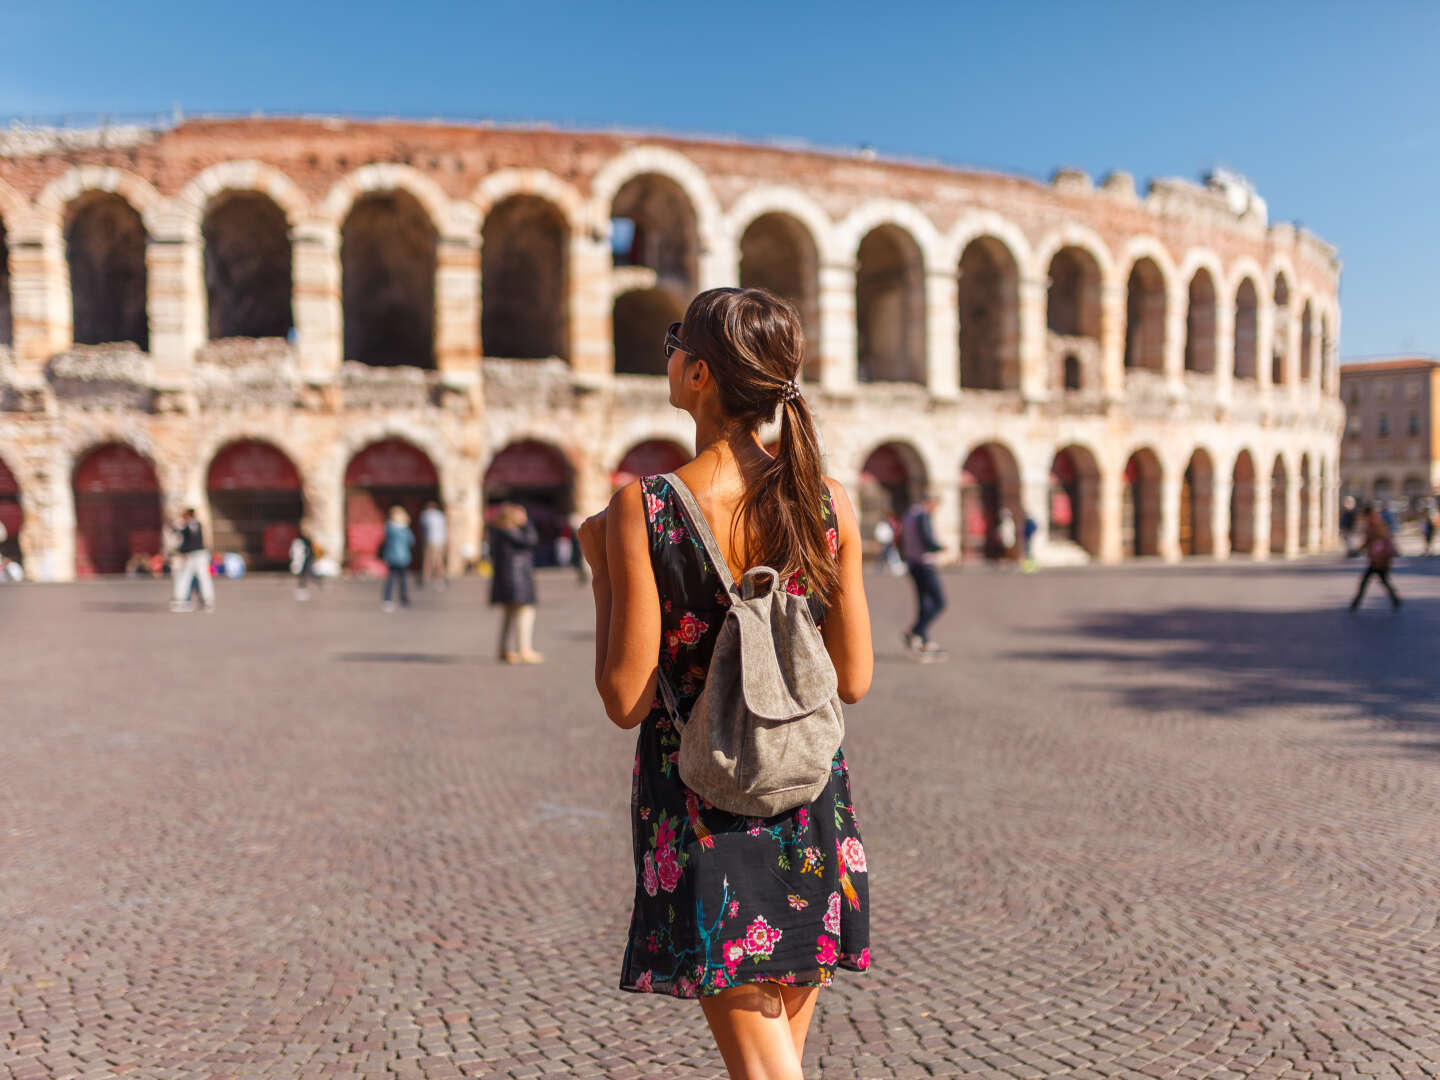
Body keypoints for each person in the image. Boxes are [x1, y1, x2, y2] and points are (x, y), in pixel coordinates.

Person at [577, 287, 872, 1080]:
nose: (667, 355)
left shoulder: (647, 507)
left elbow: (625, 699)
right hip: (807, 790)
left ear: (700, 374)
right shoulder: (826, 501)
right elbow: (856, 677)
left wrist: (603, 570)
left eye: (675, 342)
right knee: (777, 1061)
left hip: (703, 798)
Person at [489, 503, 541, 663]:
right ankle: (524, 650)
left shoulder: (498, 532)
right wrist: (527, 523)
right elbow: (532, 540)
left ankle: (503, 649)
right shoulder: (511, 532)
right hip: (517, 580)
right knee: (525, 613)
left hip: (506, 579)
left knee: (508, 616)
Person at [900, 492, 946, 657]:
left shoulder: (908, 514)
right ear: (931, 502)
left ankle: (923, 639)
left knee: (923, 602)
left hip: (912, 563)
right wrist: (940, 548)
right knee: (939, 602)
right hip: (925, 563)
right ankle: (916, 631)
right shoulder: (923, 516)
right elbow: (927, 539)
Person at [1350, 505, 1401, 611]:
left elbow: (1377, 540)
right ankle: (1395, 600)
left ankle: (1355, 604)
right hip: (1377, 559)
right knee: (1382, 580)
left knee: (1366, 581)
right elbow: (1370, 541)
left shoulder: (1375, 524)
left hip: (1379, 559)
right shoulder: (1375, 523)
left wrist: (1358, 550)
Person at [170, 508, 215, 613]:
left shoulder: (189, 525)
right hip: (199, 554)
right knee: (203, 577)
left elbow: (187, 539)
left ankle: (181, 600)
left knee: (185, 577)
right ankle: (207, 600)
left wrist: (181, 551)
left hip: (193, 555)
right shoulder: (196, 524)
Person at [380, 505, 414, 612]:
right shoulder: (405, 529)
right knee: (402, 579)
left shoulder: (389, 528)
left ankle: (387, 598)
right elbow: (411, 541)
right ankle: (404, 598)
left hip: (392, 556)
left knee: (391, 578)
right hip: (403, 557)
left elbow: (385, 540)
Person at [419, 500, 447, 589]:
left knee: (428, 560)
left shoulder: (426, 514)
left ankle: (426, 578)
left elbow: (422, 527)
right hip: (440, 541)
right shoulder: (440, 515)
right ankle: (438, 579)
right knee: (438, 560)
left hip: (430, 540)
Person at [289, 529, 316, 600]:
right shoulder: (300, 542)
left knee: (303, 575)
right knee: (301, 575)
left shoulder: (304, 541)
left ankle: (302, 589)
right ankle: (300, 590)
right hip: (300, 561)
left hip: (303, 561)